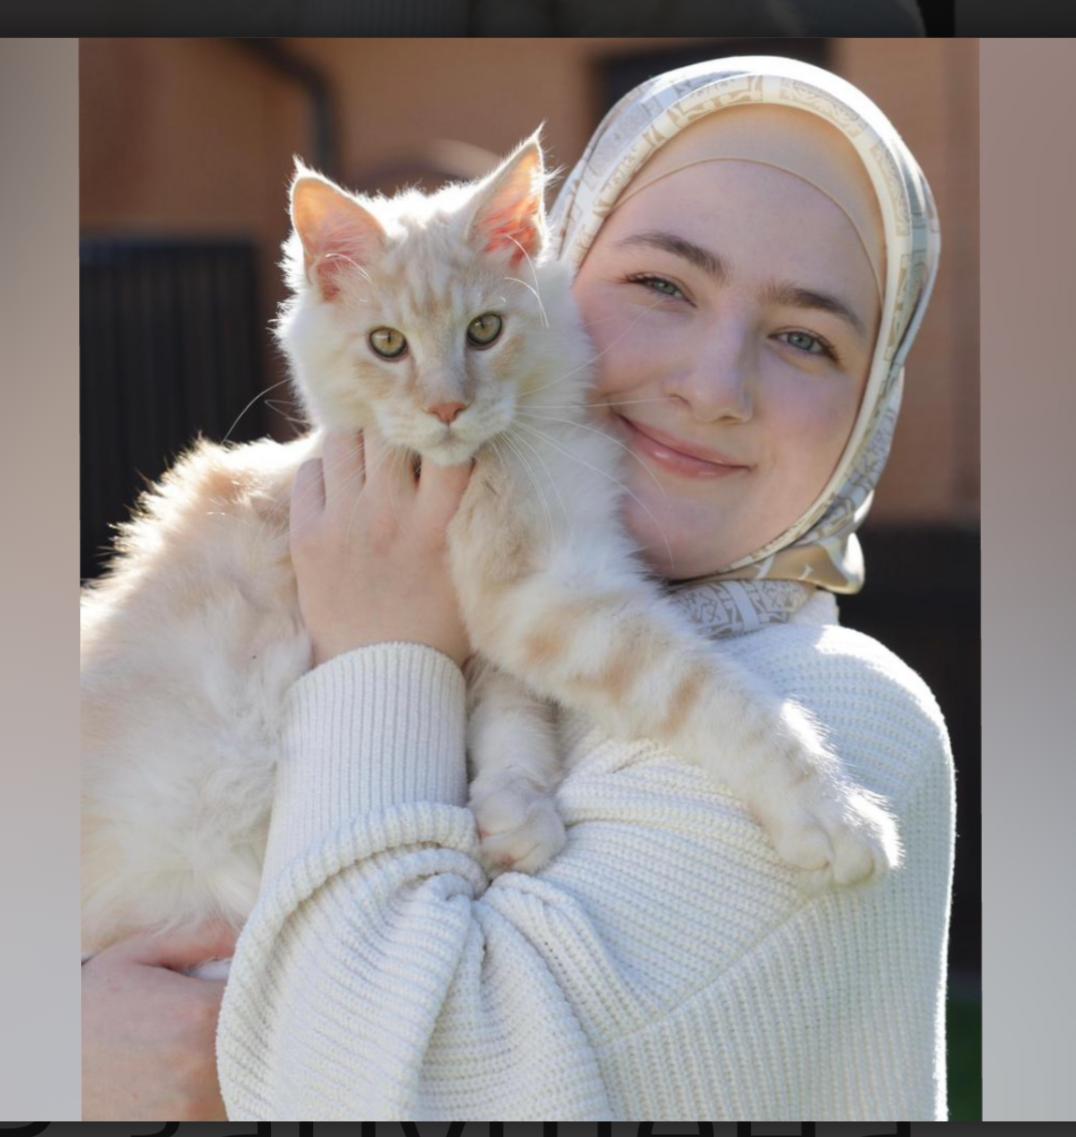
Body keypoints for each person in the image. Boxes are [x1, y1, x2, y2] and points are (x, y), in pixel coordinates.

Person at [81, 55, 953, 1121]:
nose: (710, 386)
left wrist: (380, 656)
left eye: (805, 338)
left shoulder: (848, 714)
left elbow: (378, 1077)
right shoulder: (416, 519)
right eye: (663, 286)